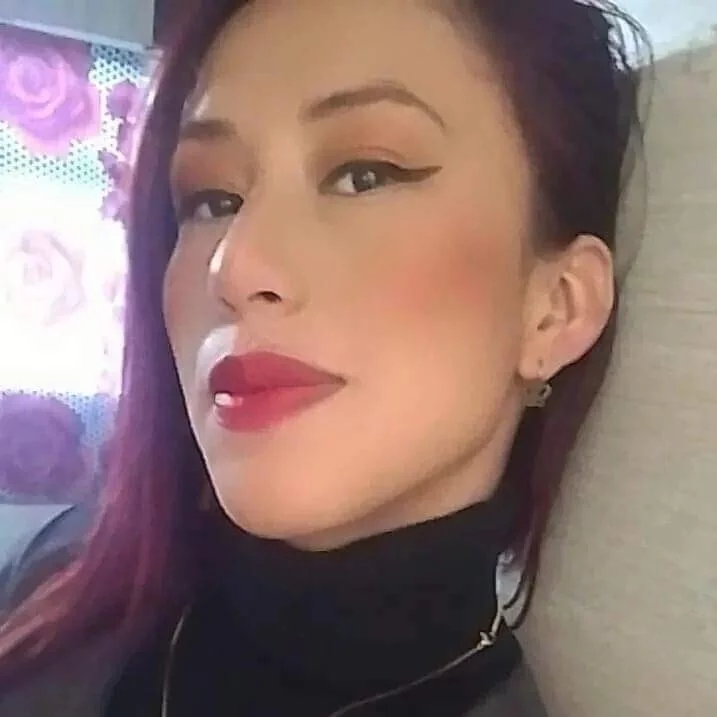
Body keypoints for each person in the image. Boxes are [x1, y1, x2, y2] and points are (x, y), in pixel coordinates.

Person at [0, 0, 650, 714]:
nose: (234, 266)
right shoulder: (64, 570)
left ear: (555, 308)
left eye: (363, 174)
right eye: (212, 199)